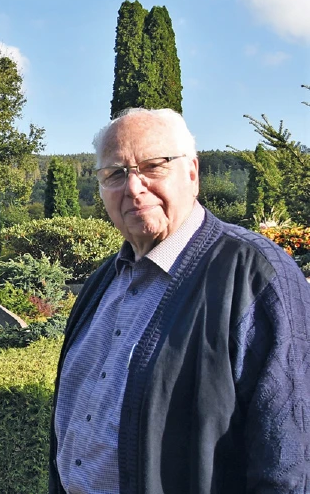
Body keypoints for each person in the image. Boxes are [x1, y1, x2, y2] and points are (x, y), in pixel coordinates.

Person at [49, 108, 309, 494]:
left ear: (192, 173)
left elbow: (288, 456)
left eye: (153, 166)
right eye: (115, 174)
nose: (133, 188)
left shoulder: (255, 274)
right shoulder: (101, 283)